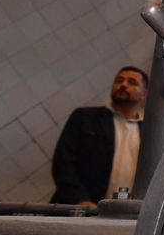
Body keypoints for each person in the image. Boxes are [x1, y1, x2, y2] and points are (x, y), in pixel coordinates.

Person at [49, 66, 147, 205]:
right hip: (80, 208)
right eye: (119, 80)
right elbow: (63, 163)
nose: (123, 85)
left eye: (132, 82)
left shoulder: (150, 130)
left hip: (130, 212)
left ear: (144, 94)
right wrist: (81, 199)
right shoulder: (85, 118)